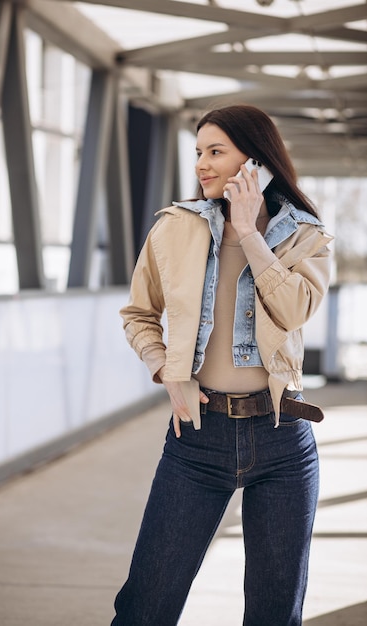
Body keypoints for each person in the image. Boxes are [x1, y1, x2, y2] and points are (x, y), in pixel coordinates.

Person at [111, 104, 333, 626]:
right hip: (197, 439)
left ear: (254, 161)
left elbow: (297, 307)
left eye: (216, 152)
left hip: (284, 440)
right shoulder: (174, 228)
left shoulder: (307, 235)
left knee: (276, 611)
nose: (202, 165)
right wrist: (167, 371)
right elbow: (138, 315)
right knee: (147, 602)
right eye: (198, 153)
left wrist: (250, 234)